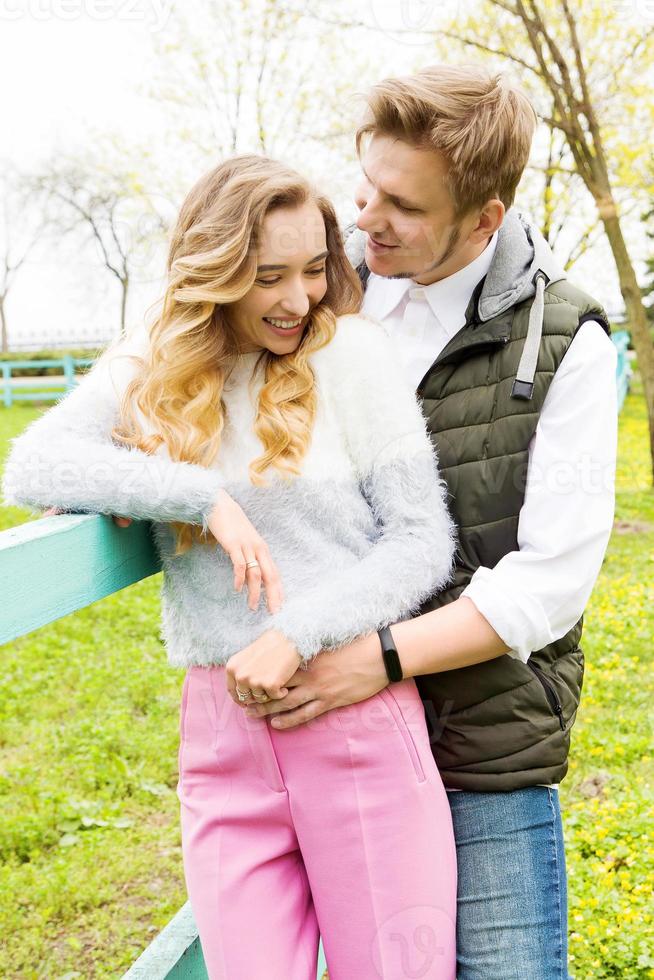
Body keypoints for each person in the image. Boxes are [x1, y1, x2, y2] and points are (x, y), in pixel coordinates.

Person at [2, 155, 459, 979]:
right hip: (221, 734)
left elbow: (422, 538)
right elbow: (35, 465)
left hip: (348, 709)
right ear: (214, 273)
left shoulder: (351, 353)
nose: (298, 300)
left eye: (315, 269)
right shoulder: (160, 361)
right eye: (267, 277)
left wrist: (297, 630)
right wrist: (198, 497)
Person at [240, 66, 618, 979]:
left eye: (401, 206)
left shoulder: (562, 340)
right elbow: (195, 375)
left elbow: (550, 582)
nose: (365, 219)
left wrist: (372, 660)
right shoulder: (318, 297)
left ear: (484, 220)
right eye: (364, 185)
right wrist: (126, 467)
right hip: (325, 735)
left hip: (476, 740)